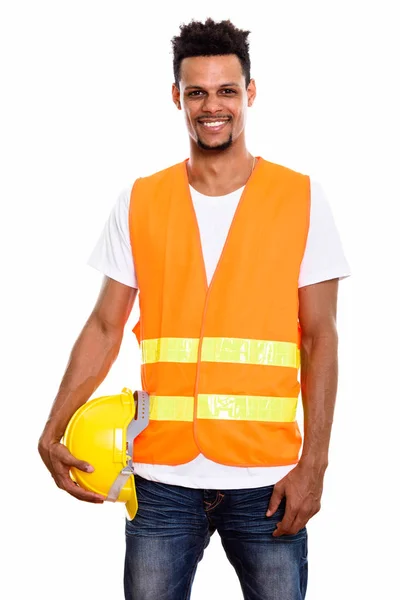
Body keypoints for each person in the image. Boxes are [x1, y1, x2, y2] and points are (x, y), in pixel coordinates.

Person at [38, 17, 351, 600]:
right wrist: (52, 426)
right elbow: (106, 325)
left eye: (227, 90)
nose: (214, 106)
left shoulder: (301, 198)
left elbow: (321, 337)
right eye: (198, 91)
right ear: (177, 97)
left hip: (269, 480)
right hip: (160, 481)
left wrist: (316, 464)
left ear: (250, 94)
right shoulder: (140, 199)